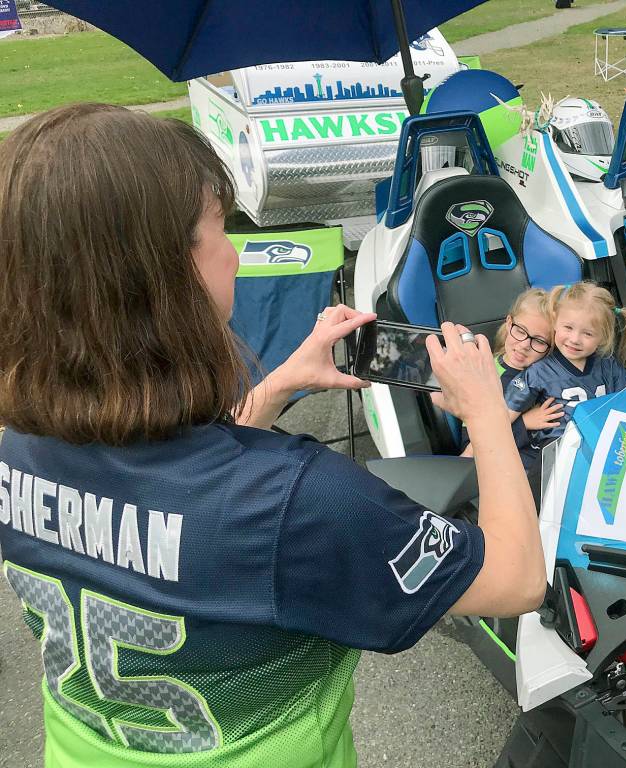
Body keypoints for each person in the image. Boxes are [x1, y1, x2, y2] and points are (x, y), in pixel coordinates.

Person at [0, 103, 545, 768]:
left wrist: (278, 385)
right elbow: (514, 581)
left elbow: (171, 494)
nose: (234, 253)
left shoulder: (16, 443)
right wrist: (489, 413)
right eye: (218, 228)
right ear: (170, 275)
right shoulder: (305, 501)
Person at [504, 282, 626, 445]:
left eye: (587, 333)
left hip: (605, 441)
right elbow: (503, 419)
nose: (575, 339)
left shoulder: (608, 366)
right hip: (556, 449)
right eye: (568, 327)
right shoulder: (539, 371)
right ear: (555, 323)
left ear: (603, 337)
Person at [460, 288, 563, 466]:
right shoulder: (484, 372)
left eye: (539, 341)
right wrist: (524, 423)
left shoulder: (547, 375)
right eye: (521, 331)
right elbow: (474, 446)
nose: (524, 345)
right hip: (504, 469)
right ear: (509, 323)